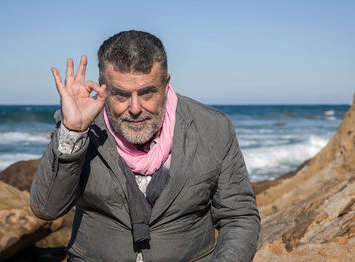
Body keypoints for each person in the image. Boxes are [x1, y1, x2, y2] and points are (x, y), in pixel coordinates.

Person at [30, 30, 260, 262]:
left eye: (147, 93)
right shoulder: (80, 124)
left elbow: (239, 216)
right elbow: (46, 209)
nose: (136, 107)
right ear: (103, 88)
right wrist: (74, 131)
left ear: (166, 83)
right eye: (121, 95)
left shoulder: (213, 127)